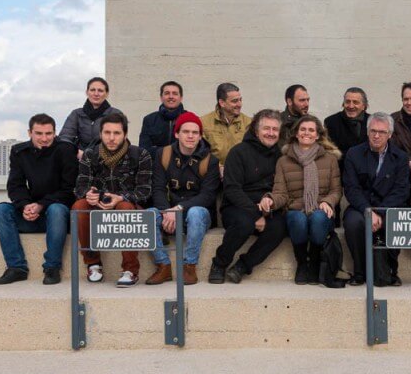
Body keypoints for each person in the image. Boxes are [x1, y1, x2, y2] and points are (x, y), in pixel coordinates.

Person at [71, 112, 157, 288]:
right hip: (98, 203)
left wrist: (121, 198)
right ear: (100, 134)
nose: (111, 138)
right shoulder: (90, 155)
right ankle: (93, 263)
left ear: (125, 134)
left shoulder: (140, 155)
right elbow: (80, 186)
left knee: (125, 208)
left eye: (116, 133)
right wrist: (90, 194)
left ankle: (130, 270)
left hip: (127, 203)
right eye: (107, 133)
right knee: (79, 206)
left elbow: (144, 191)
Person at [0, 113, 78, 286]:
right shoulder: (19, 152)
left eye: (49, 133)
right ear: (30, 132)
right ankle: (16, 268)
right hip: (31, 213)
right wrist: (25, 206)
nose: (44, 138)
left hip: (58, 216)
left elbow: (69, 190)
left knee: (57, 209)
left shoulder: (66, 150)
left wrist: (41, 205)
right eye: (39, 133)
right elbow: (15, 186)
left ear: (54, 132)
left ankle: (52, 268)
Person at [211, 110, 288, 284]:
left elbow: (283, 188)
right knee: (244, 224)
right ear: (256, 130)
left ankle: (242, 266)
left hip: (268, 207)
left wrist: (269, 205)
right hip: (236, 207)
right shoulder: (238, 152)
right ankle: (220, 263)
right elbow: (231, 189)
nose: (271, 133)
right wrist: (256, 214)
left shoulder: (280, 156)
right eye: (266, 128)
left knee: (280, 227)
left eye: (275, 129)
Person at [268, 115, 342, 285]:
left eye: (311, 130)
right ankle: (302, 263)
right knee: (298, 219)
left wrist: (328, 201)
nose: (306, 133)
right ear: (296, 133)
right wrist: (270, 200)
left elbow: (336, 190)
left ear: (317, 135)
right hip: (295, 210)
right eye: (303, 129)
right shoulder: (283, 161)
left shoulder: (330, 160)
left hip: (322, 210)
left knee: (317, 217)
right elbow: (281, 192)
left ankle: (314, 261)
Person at [148, 111, 220, 286]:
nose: (190, 136)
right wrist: (166, 211)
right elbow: (157, 188)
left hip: (197, 214)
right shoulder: (162, 154)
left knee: (196, 212)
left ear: (200, 135)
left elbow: (207, 196)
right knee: (148, 215)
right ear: (177, 133)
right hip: (169, 212)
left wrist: (177, 209)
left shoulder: (210, 160)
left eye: (195, 133)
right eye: (186, 131)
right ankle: (163, 265)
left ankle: (189, 266)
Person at [342, 111, 411, 286]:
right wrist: (368, 211)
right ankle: (360, 272)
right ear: (367, 132)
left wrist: (379, 212)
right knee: (353, 222)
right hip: (361, 206)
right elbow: (351, 188)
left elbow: (401, 190)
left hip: (388, 207)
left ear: (390, 134)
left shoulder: (401, 157)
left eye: (382, 132)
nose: (377, 135)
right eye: (373, 131)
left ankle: (390, 272)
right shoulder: (353, 153)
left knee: (394, 221)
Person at [59, 77, 123, 158]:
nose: (96, 94)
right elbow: (65, 138)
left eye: (100, 90)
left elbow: (119, 140)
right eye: (92, 90)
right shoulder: (76, 114)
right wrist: (76, 151)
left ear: (106, 94)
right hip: (79, 158)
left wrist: (94, 155)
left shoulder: (116, 114)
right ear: (87, 92)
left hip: (107, 158)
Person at [201, 82, 252, 165]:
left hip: (241, 173)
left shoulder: (248, 123)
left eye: (240, 100)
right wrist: (217, 168)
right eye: (235, 101)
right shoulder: (204, 123)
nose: (240, 104)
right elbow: (202, 153)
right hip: (214, 173)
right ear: (222, 103)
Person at [138, 81, 185, 159]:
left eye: (175, 93)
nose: (171, 96)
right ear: (161, 97)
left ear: (181, 98)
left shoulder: (190, 119)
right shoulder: (149, 120)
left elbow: (194, 148)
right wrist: (176, 151)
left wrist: (156, 149)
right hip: (156, 167)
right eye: (167, 93)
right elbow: (144, 151)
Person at [324, 87, 370, 165]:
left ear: (364, 105)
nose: (351, 106)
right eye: (347, 102)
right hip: (341, 170)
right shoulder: (331, 122)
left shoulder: (372, 122)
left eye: (355, 102)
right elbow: (329, 150)